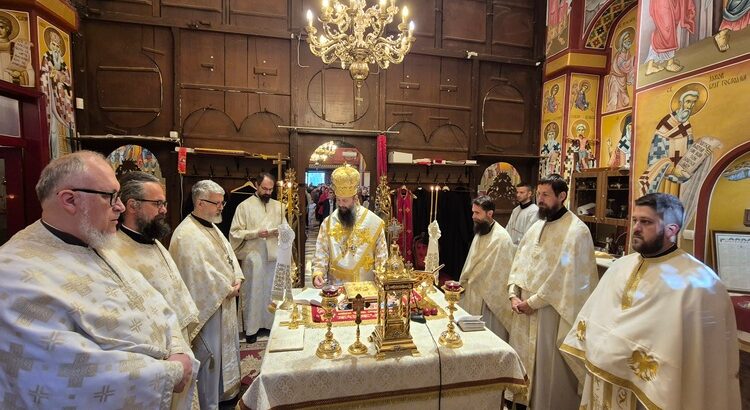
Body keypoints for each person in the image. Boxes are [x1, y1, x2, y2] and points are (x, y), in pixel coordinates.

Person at [0, 151, 195, 408]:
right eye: (110, 196)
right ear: (70, 200)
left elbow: (156, 304)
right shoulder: (13, 274)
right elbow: (65, 374)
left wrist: (178, 347)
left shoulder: (97, 245)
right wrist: (170, 373)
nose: (121, 207)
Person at [561, 193, 741, 409]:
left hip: (652, 396)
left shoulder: (699, 284)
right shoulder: (621, 266)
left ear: (671, 230)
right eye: (634, 220)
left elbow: (700, 362)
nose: (636, 228)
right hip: (603, 380)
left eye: (646, 222)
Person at [506, 174, 598, 409]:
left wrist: (533, 303)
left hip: (550, 312)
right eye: (539, 194)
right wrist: (513, 293)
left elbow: (565, 277)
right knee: (522, 368)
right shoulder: (536, 226)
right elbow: (519, 260)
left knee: (546, 372)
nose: (540, 199)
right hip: (522, 308)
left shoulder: (576, 232)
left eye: (546, 195)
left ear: (562, 196)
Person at [170, 180, 244, 409]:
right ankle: (209, 402)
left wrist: (237, 277)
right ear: (200, 203)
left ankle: (225, 392)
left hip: (224, 302)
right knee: (211, 355)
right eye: (217, 203)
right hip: (208, 309)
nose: (221, 207)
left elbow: (229, 257)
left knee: (224, 351)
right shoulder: (185, 235)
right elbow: (198, 274)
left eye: (222, 203)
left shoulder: (211, 226)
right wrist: (228, 288)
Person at [107, 171, 199, 343]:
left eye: (164, 203)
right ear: (132, 206)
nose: (164, 210)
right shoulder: (115, 252)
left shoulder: (153, 240)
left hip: (177, 335)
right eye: (157, 203)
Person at [229, 173, 286, 344]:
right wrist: (256, 233)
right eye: (264, 189)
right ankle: (252, 329)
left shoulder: (279, 206)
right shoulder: (244, 207)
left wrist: (282, 232)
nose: (267, 192)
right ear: (256, 185)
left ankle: (271, 324)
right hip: (254, 257)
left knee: (272, 291)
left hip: (273, 257)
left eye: (270, 189)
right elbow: (235, 233)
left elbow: (286, 229)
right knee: (254, 292)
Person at [312, 164, 388, 287]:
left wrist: (381, 283)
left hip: (365, 288)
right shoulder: (328, 223)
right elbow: (321, 252)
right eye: (338, 200)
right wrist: (318, 273)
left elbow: (382, 258)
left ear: (355, 198)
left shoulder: (374, 222)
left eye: (345, 200)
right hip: (336, 289)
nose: (341, 204)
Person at [458, 196, 515, 340]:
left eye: (477, 213)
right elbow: (471, 261)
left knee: (489, 336)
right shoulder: (481, 231)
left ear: (489, 214)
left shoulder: (501, 238)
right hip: (473, 291)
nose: (473, 216)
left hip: (490, 298)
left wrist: (471, 279)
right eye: (473, 212)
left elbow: (501, 272)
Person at [644, 0, 695, 75]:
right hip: (664, 5)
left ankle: (650, 65)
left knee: (663, 33)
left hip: (665, 4)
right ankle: (670, 64)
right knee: (667, 33)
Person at [604, 30, 635, 111]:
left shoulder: (628, 53)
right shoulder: (619, 55)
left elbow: (629, 69)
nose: (629, 41)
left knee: (626, 100)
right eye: (626, 39)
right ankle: (611, 113)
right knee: (614, 99)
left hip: (623, 80)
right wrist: (633, 59)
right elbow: (623, 66)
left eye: (629, 39)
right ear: (622, 42)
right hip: (615, 79)